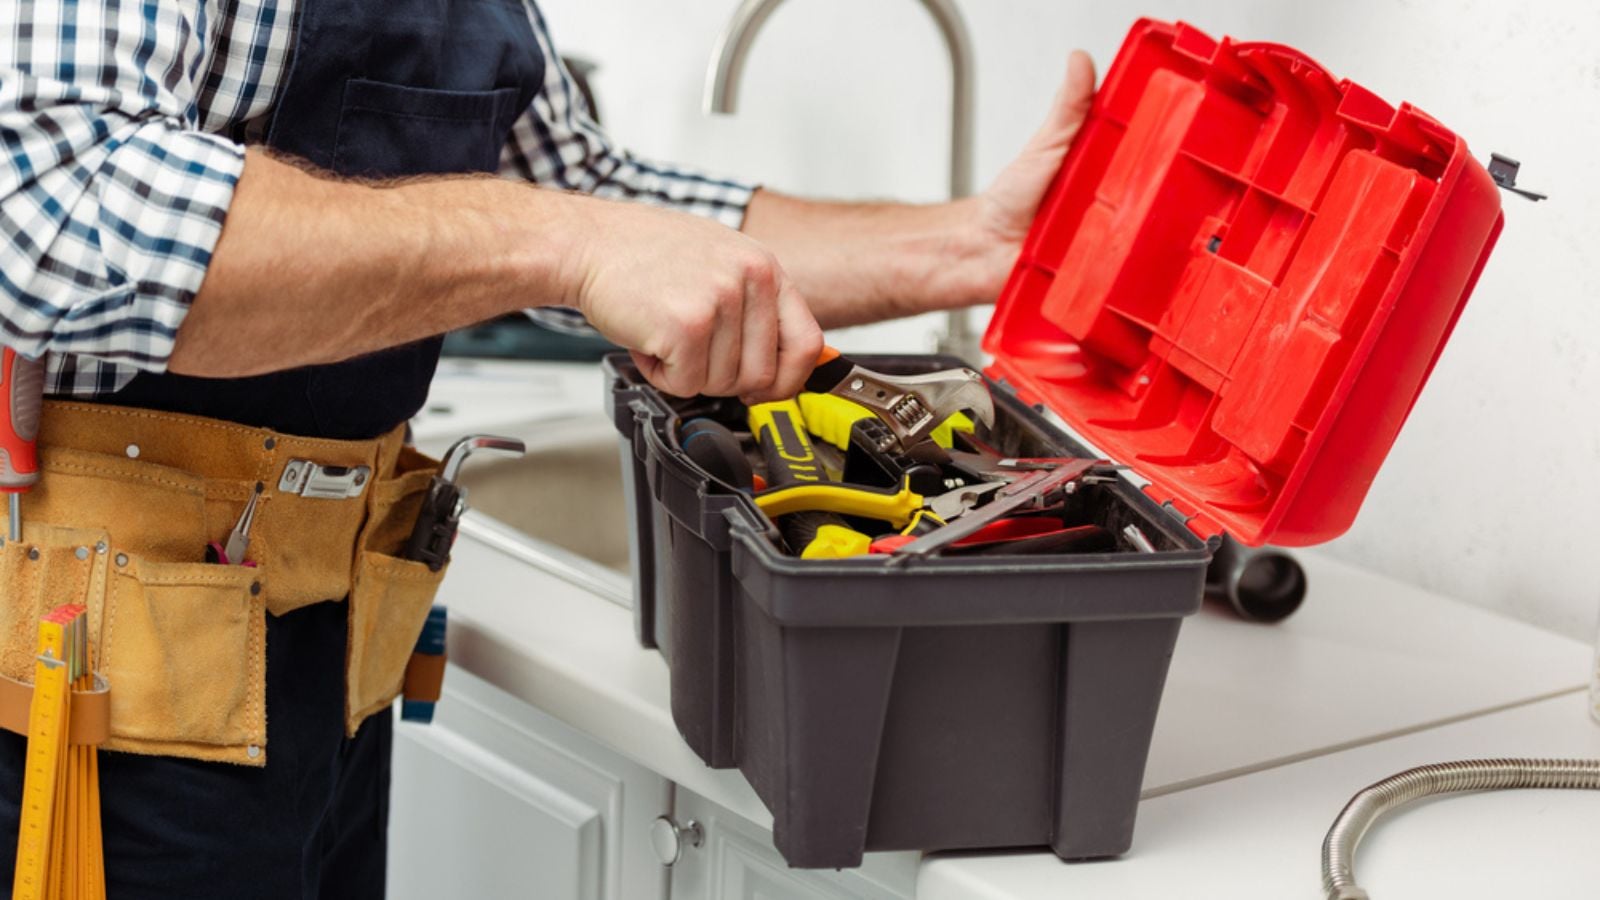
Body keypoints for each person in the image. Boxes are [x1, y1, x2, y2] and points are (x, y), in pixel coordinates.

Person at [0, 0, 1096, 896]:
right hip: (104, 690)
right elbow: (51, 208)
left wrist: (968, 246)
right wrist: (569, 244)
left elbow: (583, 190)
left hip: (326, 655)